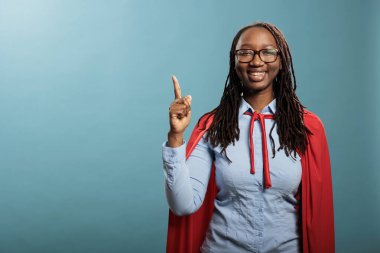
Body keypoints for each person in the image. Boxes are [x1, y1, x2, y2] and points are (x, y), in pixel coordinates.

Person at [162, 22, 334, 253]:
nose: (256, 61)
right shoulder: (213, 126)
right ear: (234, 62)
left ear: (281, 61)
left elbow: (319, 213)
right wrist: (176, 137)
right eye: (245, 52)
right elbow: (183, 205)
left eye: (268, 52)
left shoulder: (306, 127)